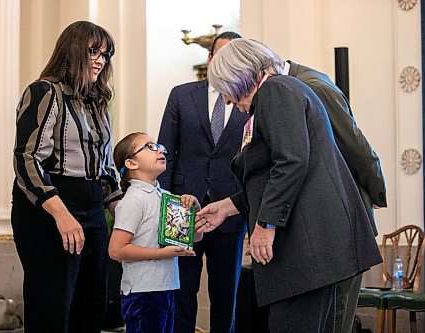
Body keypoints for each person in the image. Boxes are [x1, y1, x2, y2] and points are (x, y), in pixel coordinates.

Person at [196, 38, 383, 332]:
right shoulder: (285, 90)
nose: (231, 103)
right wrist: (227, 207)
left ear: (240, 77)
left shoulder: (276, 89)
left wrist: (264, 226)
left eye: (228, 93)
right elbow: (278, 170)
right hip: (316, 253)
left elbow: (291, 162)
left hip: (307, 254)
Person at [11, 21, 121, 333]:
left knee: (92, 304)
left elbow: (104, 166)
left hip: (91, 204)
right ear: (72, 51)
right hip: (48, 207)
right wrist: (62, 214)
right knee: (52, 307)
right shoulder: (44, 91)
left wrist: (123, 211)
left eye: (106, 54)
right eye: (93, 52)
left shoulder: (98, 101)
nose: (101, 60)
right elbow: (27, 158)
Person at [284, 60, 387, 333]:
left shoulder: (313, 87)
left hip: (344, 216)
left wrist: (376, 189)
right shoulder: (296, 84)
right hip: (324, 221)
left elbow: (353, 143)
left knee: (338, 315)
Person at [157, 31, 248, 333]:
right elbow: (165, 153)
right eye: (222, 55)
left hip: (230, 209)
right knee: (181, 294)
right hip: (182, 209)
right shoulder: (182, 94)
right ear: (210, 58)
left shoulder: (250, 102)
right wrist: (168, 211)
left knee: (226, 296)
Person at [108, 132, 203, 333]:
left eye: (159, 146)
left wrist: (194, 212)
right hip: (143, 291)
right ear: (131, 163)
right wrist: (162, 254)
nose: (160, 149)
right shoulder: (133, 200)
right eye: (150, 147)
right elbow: (116, 250)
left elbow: (193, 237)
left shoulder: (166, 196)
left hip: (165, 287)